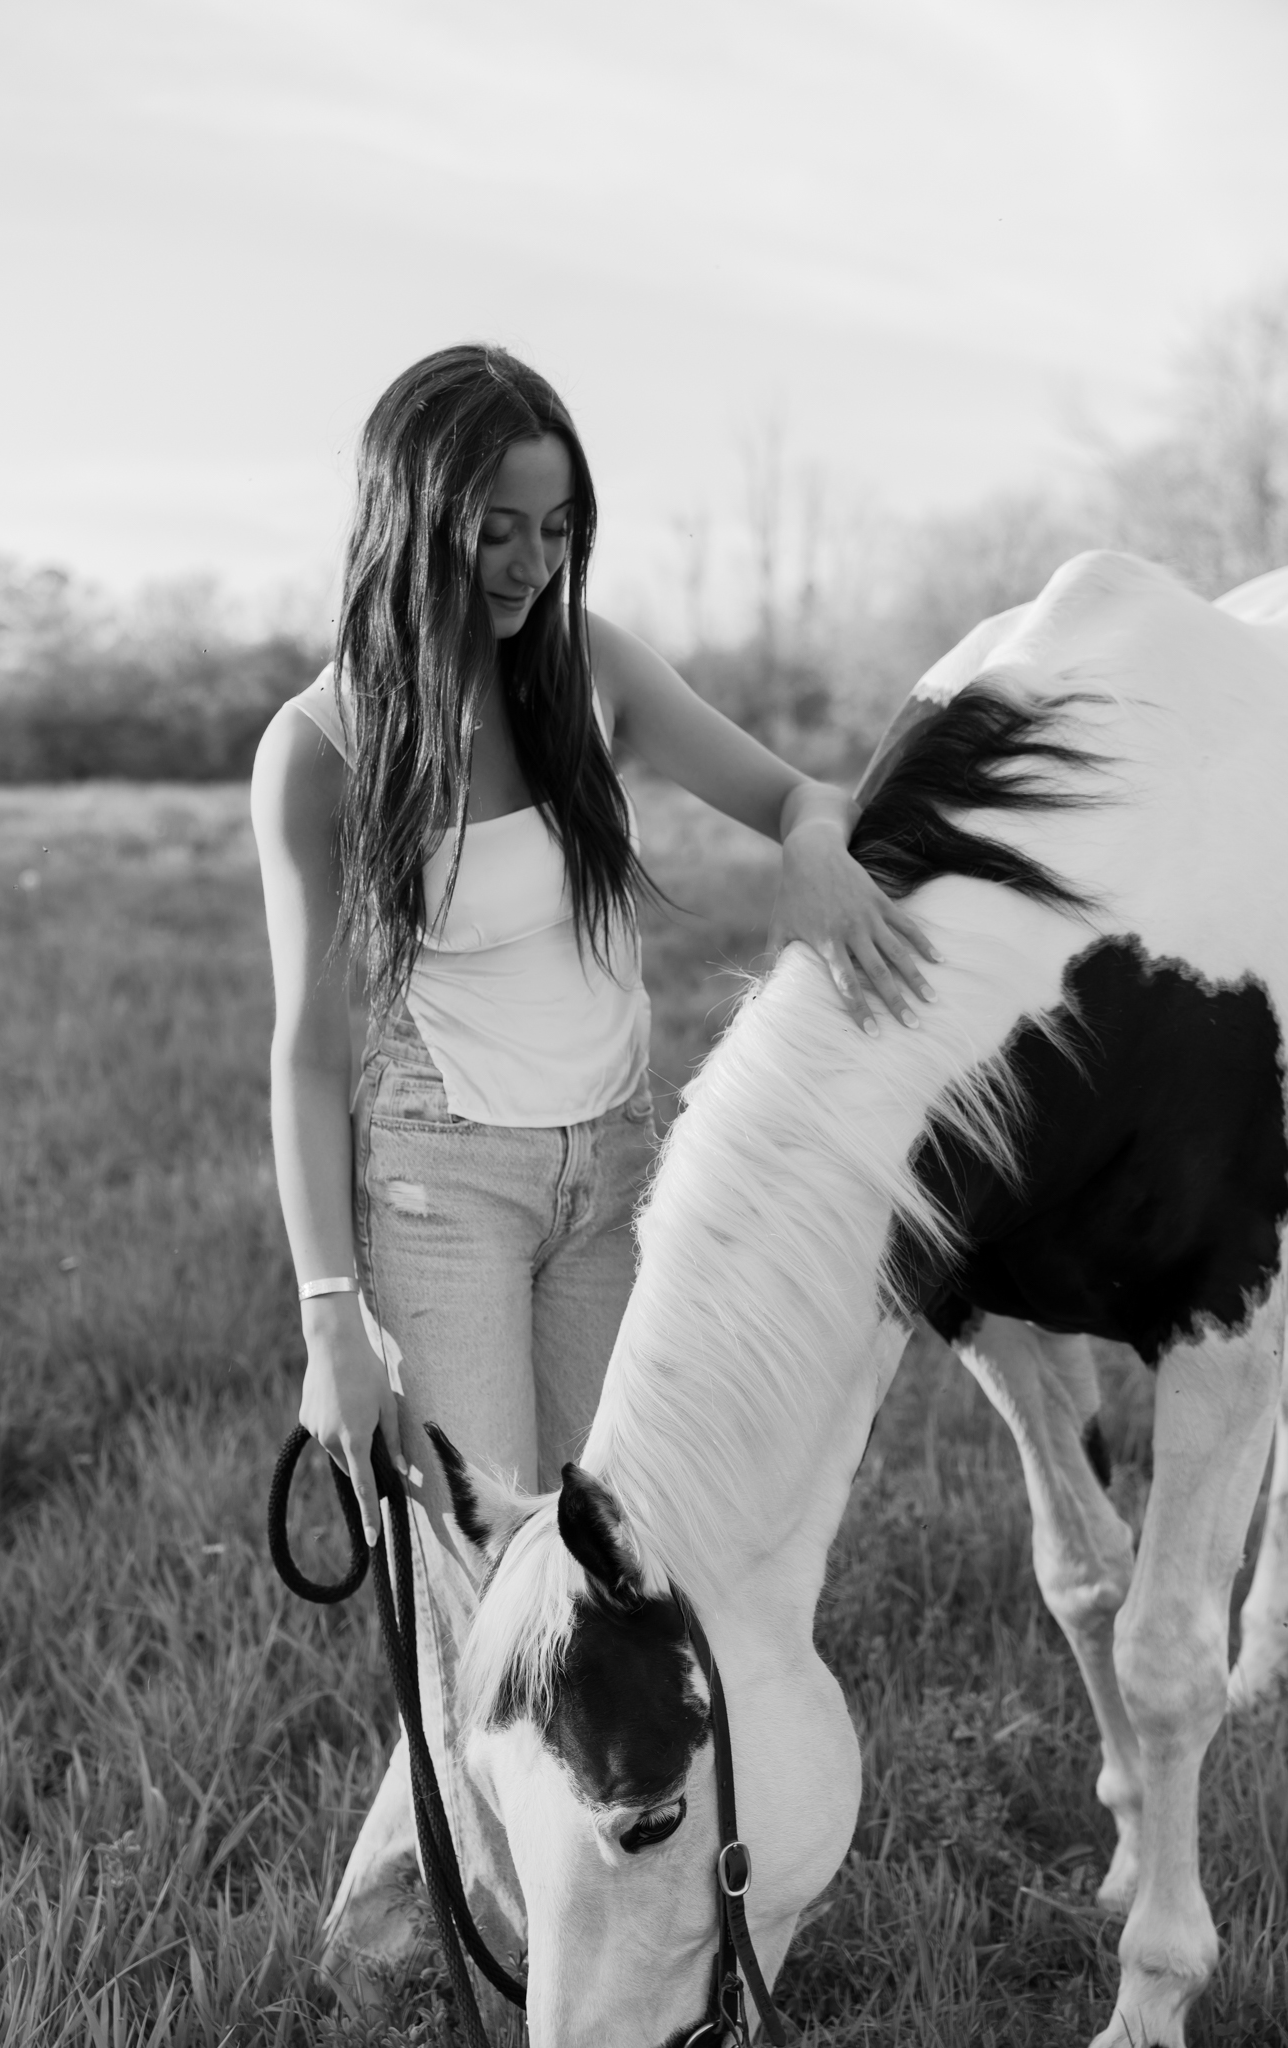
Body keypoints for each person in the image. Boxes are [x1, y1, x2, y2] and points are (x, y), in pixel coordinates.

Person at [250, 344, 938, 2008]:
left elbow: (789, 790)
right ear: (410, 513)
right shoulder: (321, 747)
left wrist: (819, 858)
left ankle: (409, 1899)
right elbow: (309, 1055)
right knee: (478, 1588)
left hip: (611, 1178)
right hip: (440, 1190)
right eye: (494, 525)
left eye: (558, 529)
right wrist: (329, 1317)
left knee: (612, 1566)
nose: (529, 564)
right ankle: (500, 1958)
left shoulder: (587, 670)